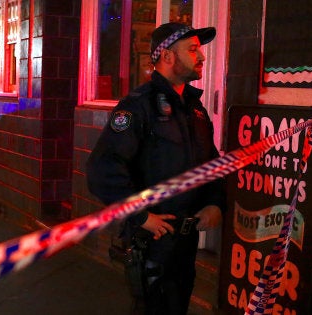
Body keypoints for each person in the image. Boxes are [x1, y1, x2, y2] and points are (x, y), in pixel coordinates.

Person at [86, 22, 225, 315]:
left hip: (185, 242)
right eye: (193, 50)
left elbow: (211, 164)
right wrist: (140, 215)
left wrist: (215, 203)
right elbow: (102, 171)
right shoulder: (138, 107)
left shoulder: (194, 109)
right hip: (153, 243)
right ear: (167, 56)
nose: (202, 57)